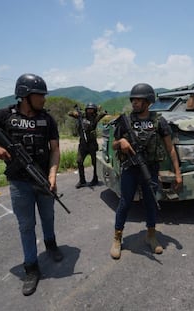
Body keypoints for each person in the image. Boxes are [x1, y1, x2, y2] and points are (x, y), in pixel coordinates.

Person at [0, 73, 63, 296]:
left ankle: (51, 244)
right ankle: (31, 268)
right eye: (40, 95)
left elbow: (55, 150)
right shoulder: (4, 115)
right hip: (19, 183)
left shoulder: (47, 119)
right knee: (26, 226)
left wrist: (53, 176)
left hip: (43, 179)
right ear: (25, 96)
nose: (44, 99)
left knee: (48, 217)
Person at [110, 83, 182, 259]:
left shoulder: (159, 121)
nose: (134, 102)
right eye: (133, 99)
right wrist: (121, 143)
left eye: (138, 100)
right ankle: (117, 238)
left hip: (150, 168)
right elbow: (114, 143)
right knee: (125, 203)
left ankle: (151, 235)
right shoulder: (126, 121)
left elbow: (170, 148)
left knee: (151, 203)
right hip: (130, 169)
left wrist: (178, 173)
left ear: (148, 101)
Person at [68, 103, 107, 188]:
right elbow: (70, 113)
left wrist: (102, 111)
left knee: (94, 163)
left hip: (92, 144)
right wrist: (74, 113)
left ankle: (95, 179)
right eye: (88, 109)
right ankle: (82, 181)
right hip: (83, 144)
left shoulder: (95, 117)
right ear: (86, 110)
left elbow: (103, 114)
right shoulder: (81, 116)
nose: (90, 111)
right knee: (79, 161)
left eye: (92, 109)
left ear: (94, 110)